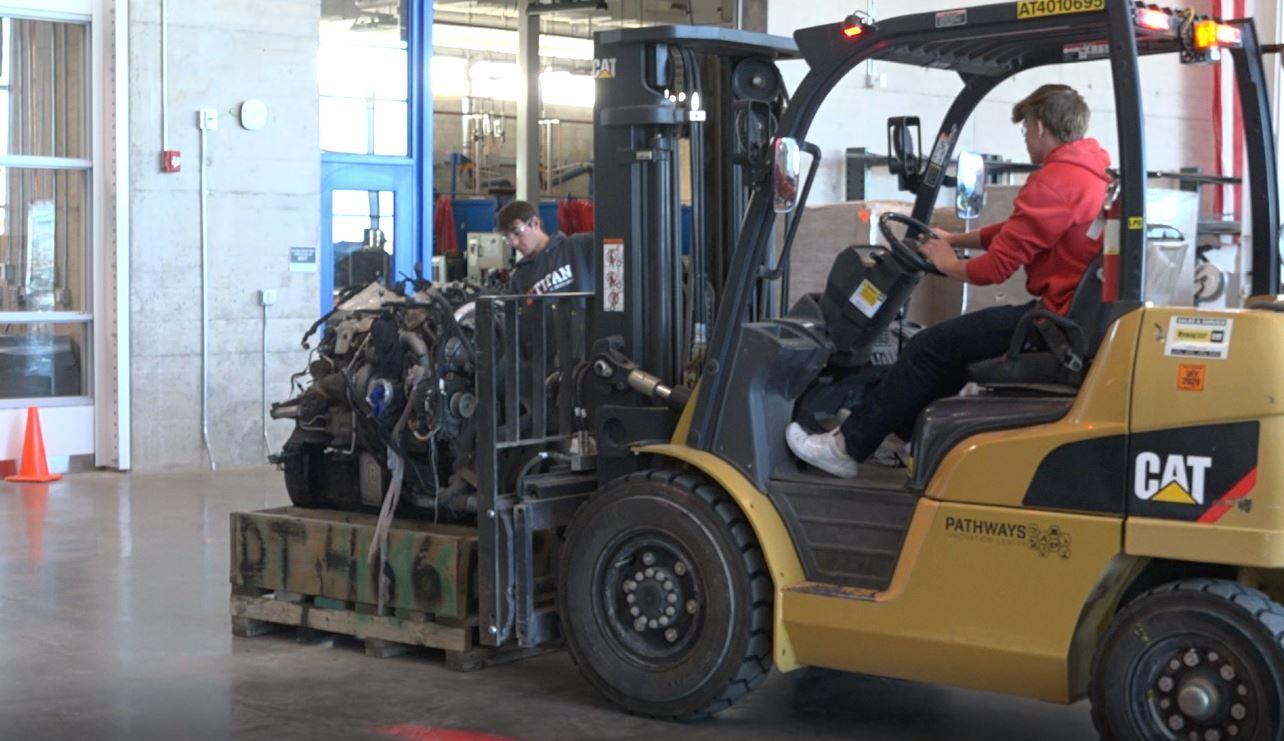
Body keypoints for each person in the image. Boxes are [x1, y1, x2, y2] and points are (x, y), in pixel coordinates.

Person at [786, 84, 1112, 478]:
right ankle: (901, 433)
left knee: (928, 345)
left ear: (1040, 126)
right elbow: (1016, 230)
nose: (1025, 138)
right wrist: (955, 240)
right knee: (956, 350)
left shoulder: (1056, 181)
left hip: (1053, 325)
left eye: (1025, 129)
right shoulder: (1088, 173)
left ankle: (846, 447)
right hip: (1067, 317)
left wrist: (946, 262)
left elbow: (994, 270)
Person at [496, 200, 595, 297]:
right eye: (508, 238)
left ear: (535, 223)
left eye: (517, 233)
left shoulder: (578, 247)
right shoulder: (520, 277)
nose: (514, 243)